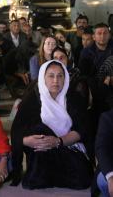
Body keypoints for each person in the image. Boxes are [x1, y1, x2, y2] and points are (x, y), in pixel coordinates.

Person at [11, 60, 93, 189]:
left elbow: (82, 130)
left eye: (60, 75)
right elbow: (16, 131)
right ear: (43, 77)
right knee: (40, 129)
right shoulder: (32, 98)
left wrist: (58, 141)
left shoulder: (73, 97)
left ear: (65, 78)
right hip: (41, 151)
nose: (56, 80)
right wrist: (27, 141)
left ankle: (51, 176)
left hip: (67, 147)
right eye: (51, 75)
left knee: (83, 180)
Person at [96, 109, 113, 197]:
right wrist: (111, 176)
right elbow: (101, 149)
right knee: (103, 180)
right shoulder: (108, 117)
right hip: (111, 167)